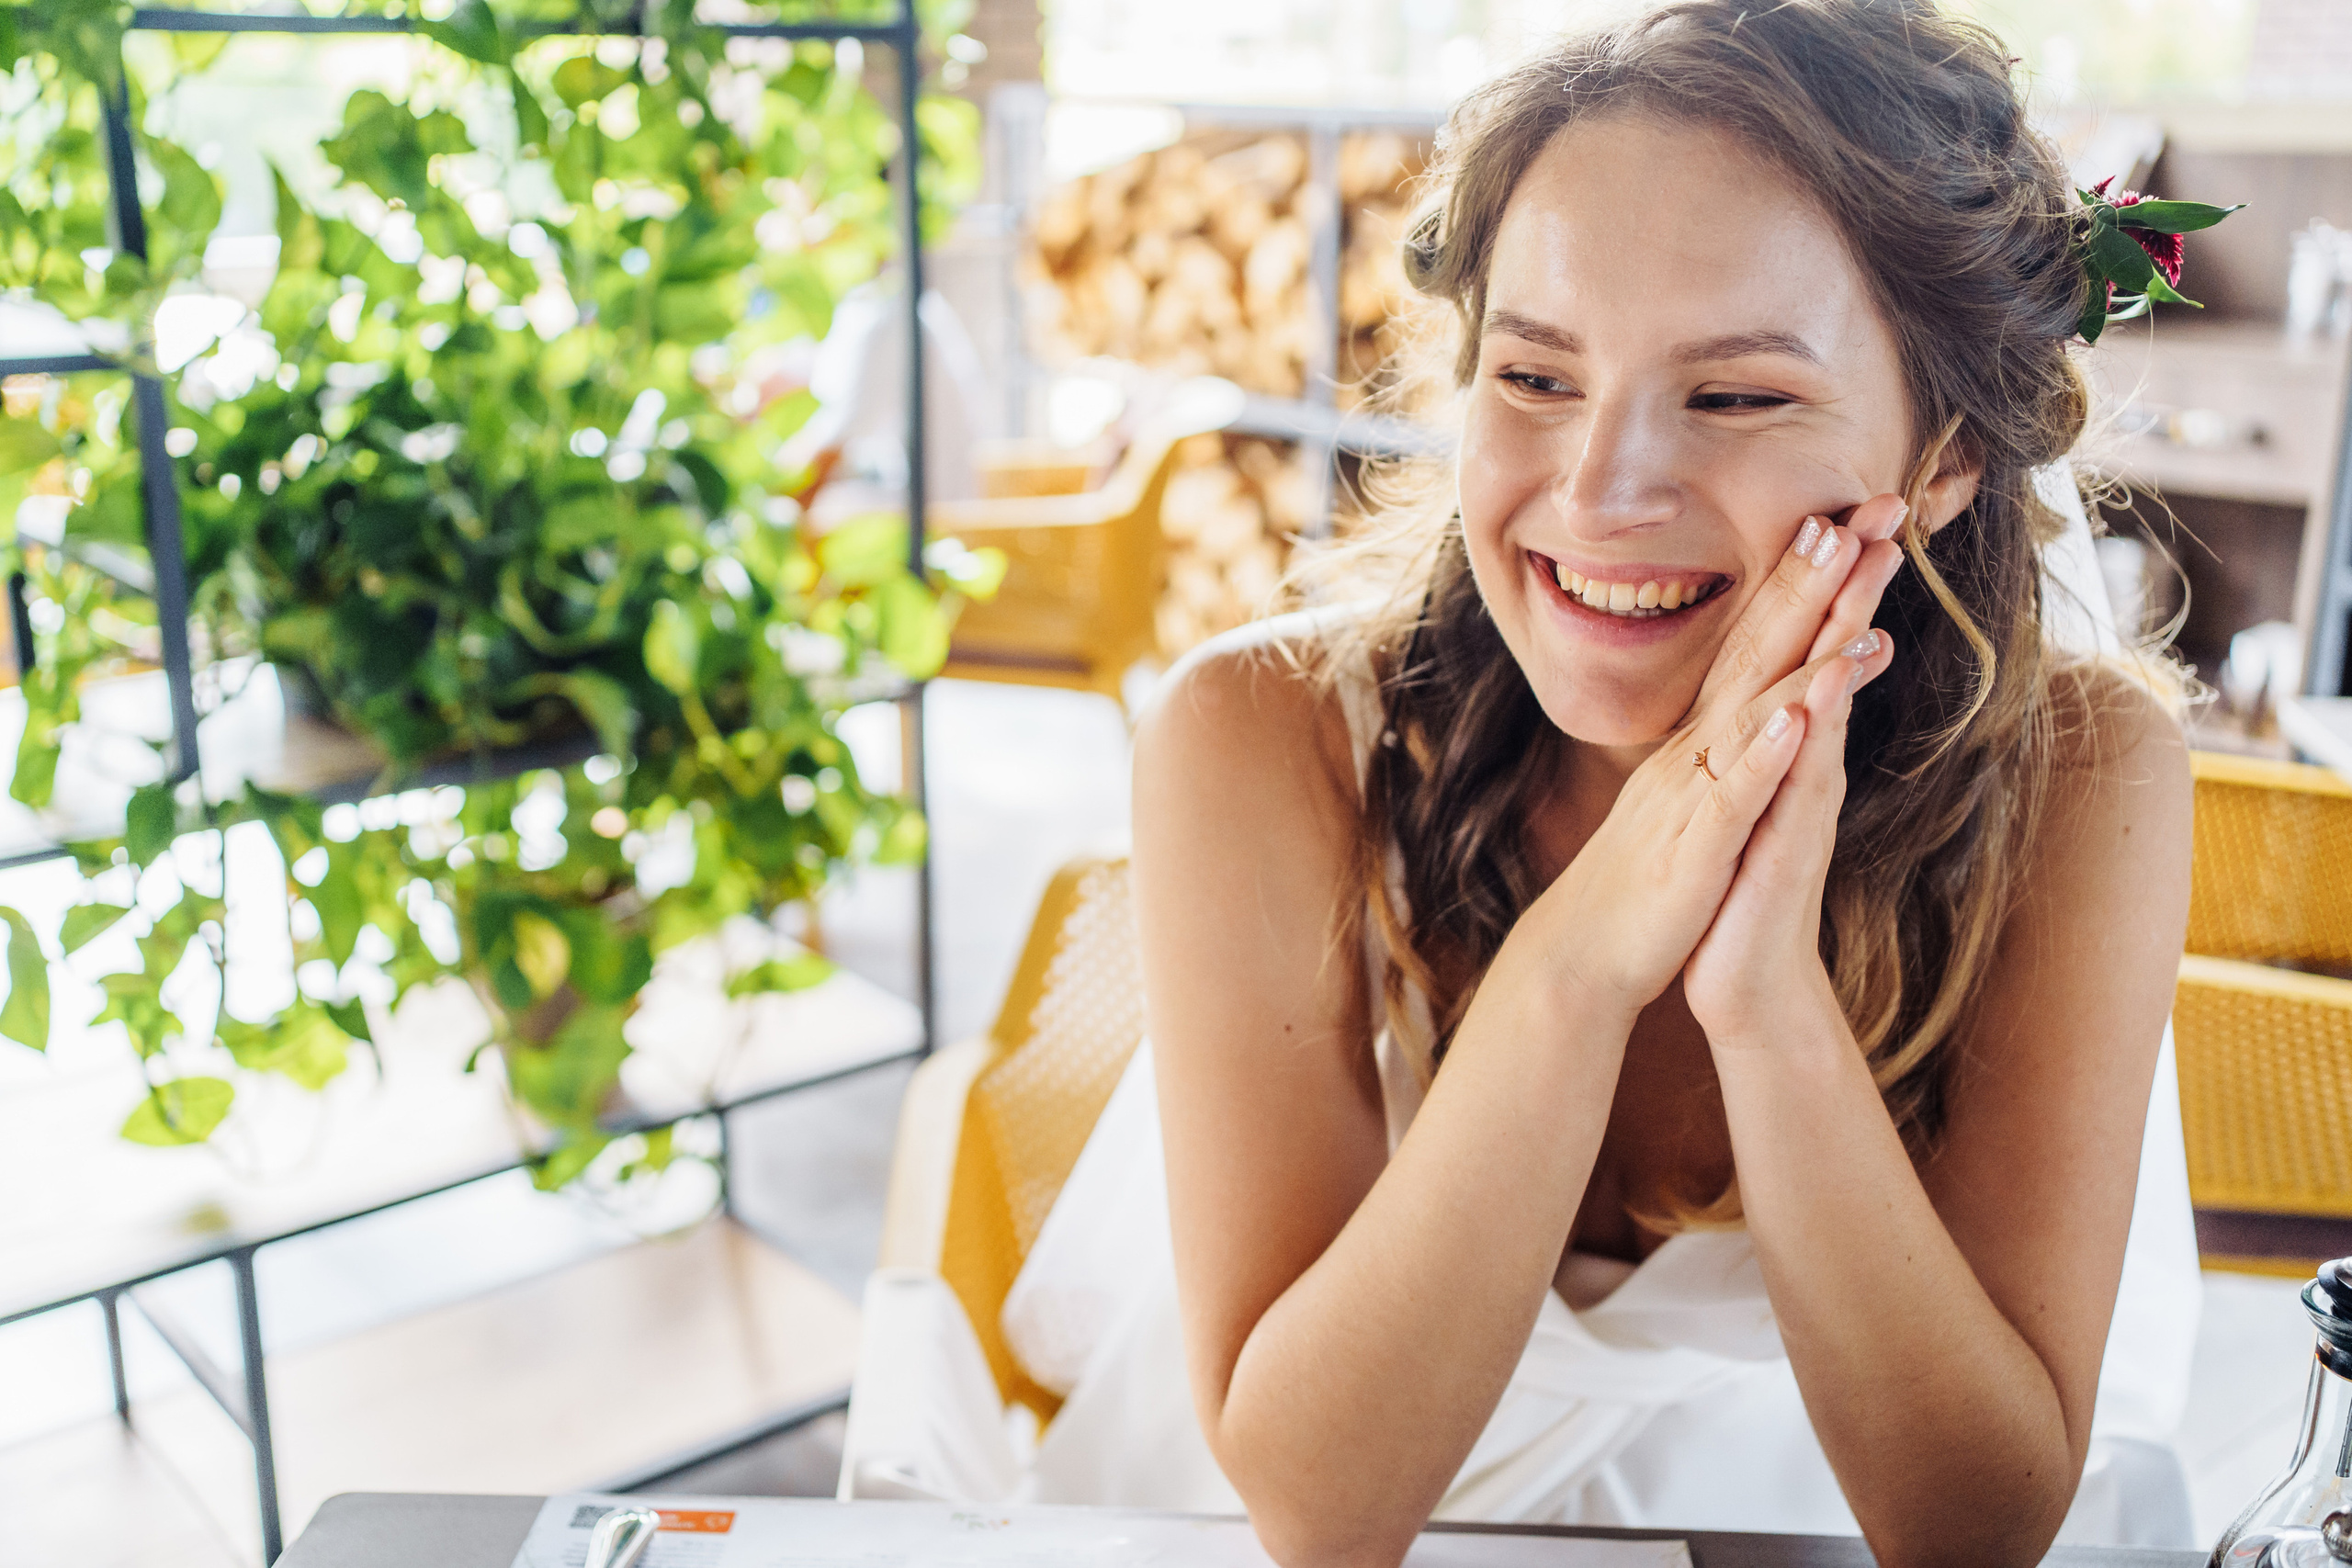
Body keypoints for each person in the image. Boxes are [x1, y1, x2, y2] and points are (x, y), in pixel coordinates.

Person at [836, 3, 2211, 1562]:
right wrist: (1585, 956)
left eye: (1738, 395)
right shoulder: (1259, 737)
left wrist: (1762, 995)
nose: (1602, 495)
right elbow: (1320, 1510)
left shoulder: (2083, 777)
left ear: (1949, 451)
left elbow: (1972, 1528)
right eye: (1537, 378)